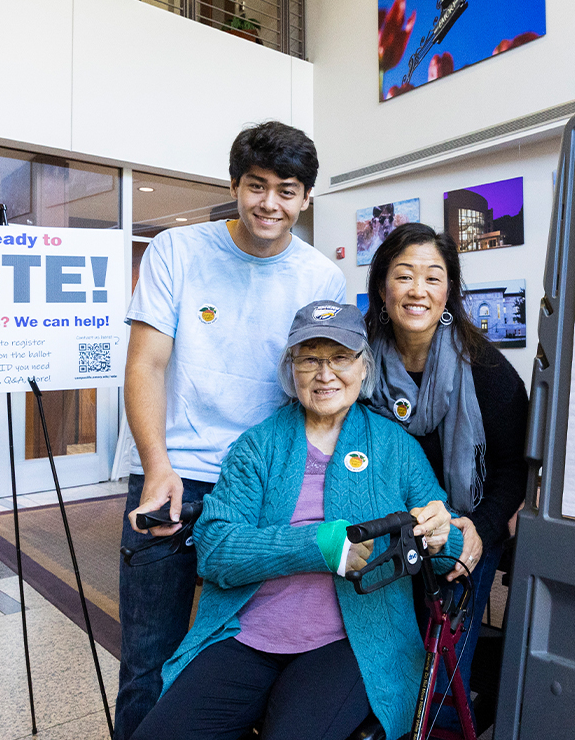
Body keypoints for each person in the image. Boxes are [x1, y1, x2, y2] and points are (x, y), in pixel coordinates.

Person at [132, 301, 460, 740]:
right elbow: (214, 550)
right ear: (292, 371)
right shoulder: (259, 446)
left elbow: (447, 549)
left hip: (351, 642)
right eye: (310, 359)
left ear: (364, 367)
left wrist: (442, 537)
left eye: (340, 357)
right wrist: (317, 545)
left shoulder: (395, 448)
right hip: (246, 633)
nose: (325, 374)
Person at [116, 121, 346, 740]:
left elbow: (321, 387)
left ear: (306, 198)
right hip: (174, 474)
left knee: (241, 651)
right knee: (147, 661)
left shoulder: (321, 277)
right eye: (257, 186)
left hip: (263, 491)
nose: (269, 203)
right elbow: (146, 362)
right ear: (236, 186)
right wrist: (157, 463)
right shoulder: (176, 251)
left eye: (286, 190)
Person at [363, 222, 529, 725]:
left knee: (442, 667)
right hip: (383, 531)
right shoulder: (355, 364)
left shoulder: (487, 370)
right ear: (382, 287)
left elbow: (512, 467)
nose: (419, 290)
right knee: (376, 659)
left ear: (450, 291)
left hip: (464, 529)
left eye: (434, 278)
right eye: (404, 275)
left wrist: (479, 528)